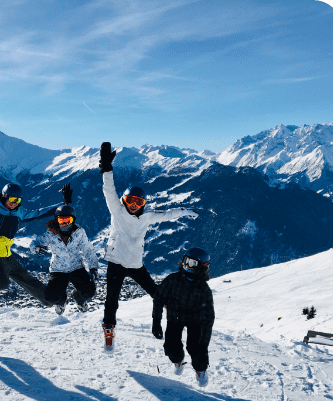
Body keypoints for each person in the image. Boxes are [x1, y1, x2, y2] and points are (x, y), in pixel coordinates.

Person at [99, 142, 198, 350]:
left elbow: (167, 215)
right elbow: (109, 189)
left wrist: (185, 211)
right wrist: (106, 168)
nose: (134, 205)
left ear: (144, 204)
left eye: (139, 202)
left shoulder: (146, 217)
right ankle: (109, 330)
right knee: (111, 301)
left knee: (157, 294)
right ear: (124, 200)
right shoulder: (116, 210)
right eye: (130, 200)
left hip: (135, 264)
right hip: (116, 263)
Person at [0, 183, 65, 305]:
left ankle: (49, 299)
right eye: (12, 199)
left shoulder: (18, 211)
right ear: (4, 196)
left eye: (18, 200)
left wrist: (62, 207)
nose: (14, 203)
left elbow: (37, 213)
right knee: (2, 283)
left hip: (6, 253)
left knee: (26, 278)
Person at [152, 248, 214, 387]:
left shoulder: (204, 290)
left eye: (192, 263)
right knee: (171, 345)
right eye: (185, 261)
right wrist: (156, 321)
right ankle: (178, 360)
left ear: (202, 267)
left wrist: (204, 343)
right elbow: (158, 298)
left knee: (195, 348)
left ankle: (201, 370)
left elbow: (208, 318)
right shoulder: (173, 279)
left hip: (195, 322)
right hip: (175, 317)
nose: (187, 266)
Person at [30, 198, 99, 315]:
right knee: (51, 298)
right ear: (56, 220)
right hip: (58, 269)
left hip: (76, 267)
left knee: (90, 291)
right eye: (61, 220)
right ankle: (61, 301)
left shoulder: (79, 232)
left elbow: (88, 250)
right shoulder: (51, 233)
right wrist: (37, 248)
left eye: (68, 220)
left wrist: (93, 267)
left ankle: (78, 298)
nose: (64, 223)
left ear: (73, 220)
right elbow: (34, 243)